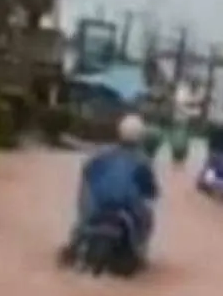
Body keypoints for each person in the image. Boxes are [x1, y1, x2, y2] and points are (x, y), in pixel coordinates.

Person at [60, 113, 159, 266]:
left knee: (82, 222)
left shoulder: (102, 153)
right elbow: (151, 190)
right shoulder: (143, 161)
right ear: (141, 137)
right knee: (148, 217)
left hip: (97, 209)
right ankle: (140, 252)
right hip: (126, 209)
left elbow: (87, 173)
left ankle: (74, 244)